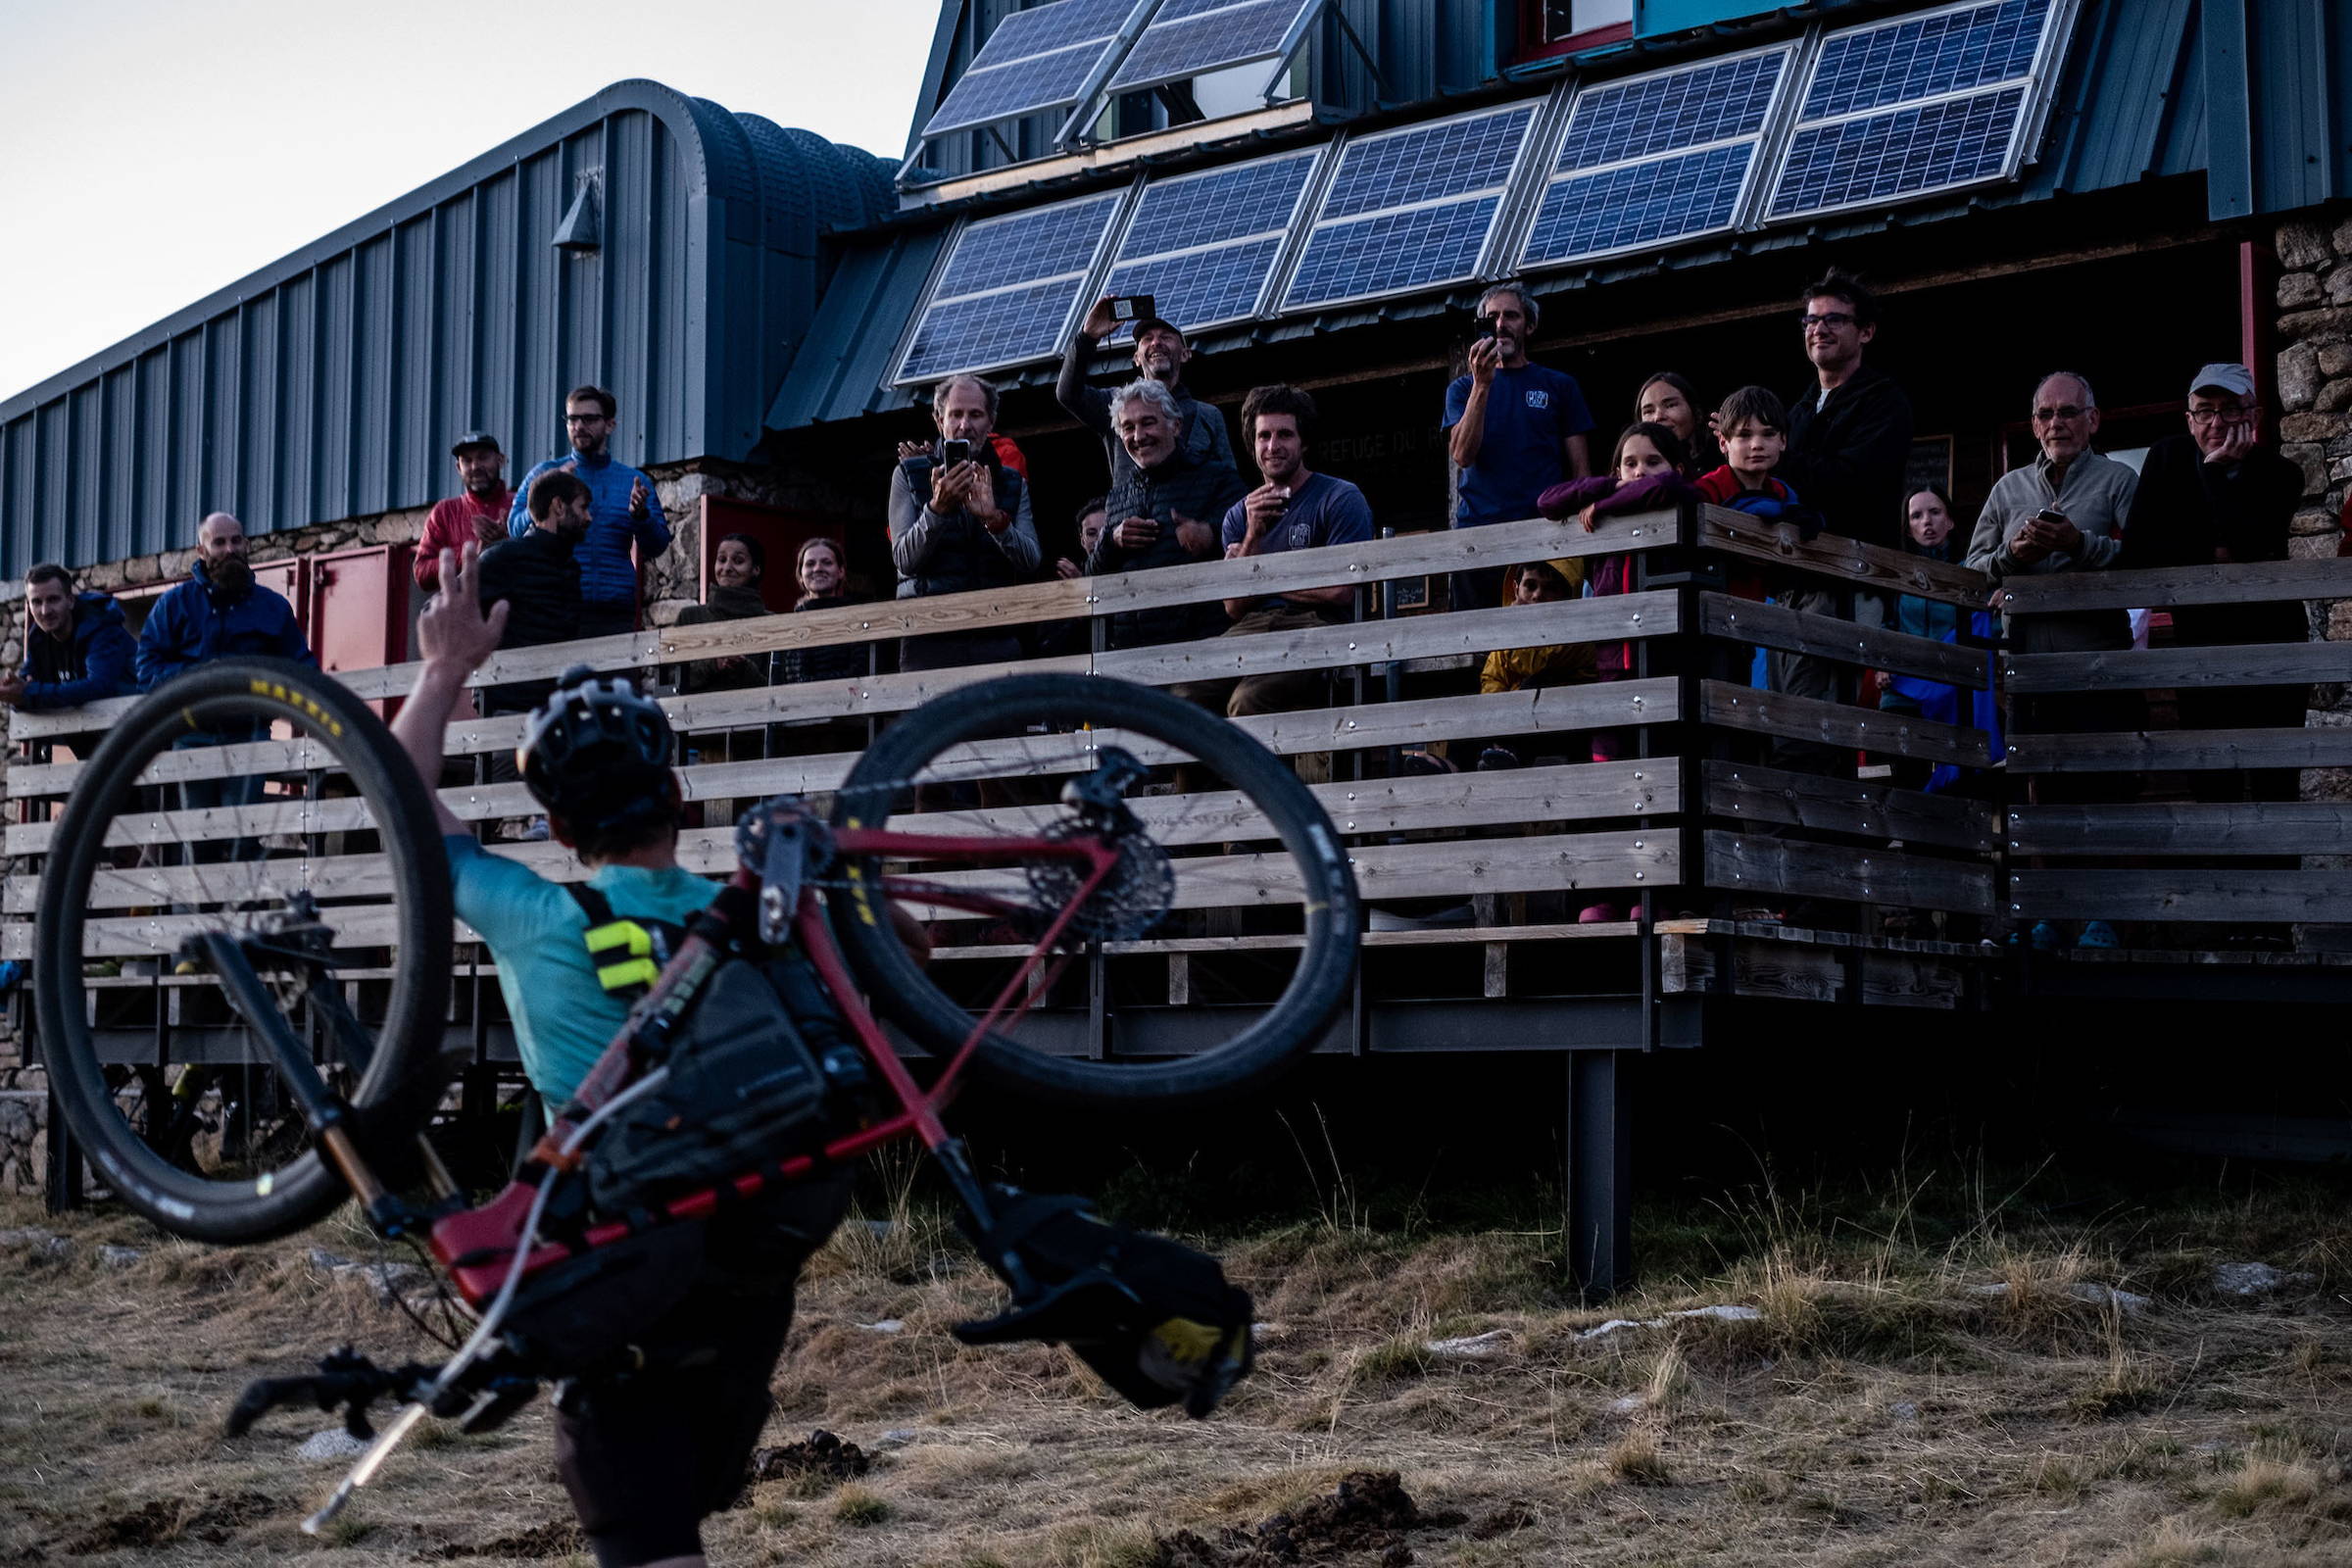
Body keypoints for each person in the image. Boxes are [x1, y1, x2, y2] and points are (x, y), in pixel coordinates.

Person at [388, 541, 860, 1568]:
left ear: (555, 823)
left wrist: (442, 671)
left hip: (627, 1254)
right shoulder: (748, 911)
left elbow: (405, 811)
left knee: (635, 1517)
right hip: (758, 1255)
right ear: (679, 797)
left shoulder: (536, 914)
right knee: (681, 1501)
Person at [1967, 370, 2138, 949]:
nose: (2056, 423)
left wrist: (2078, 546)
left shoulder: (2118, 480)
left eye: (2069, 412)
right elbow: (1968, 571)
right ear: (2034, 423)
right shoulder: (2007, 489)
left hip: (2097, 663)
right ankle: (2046, 917)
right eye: (2045, 414)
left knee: (2102, 792)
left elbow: (2146, 558)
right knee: (2037, 795)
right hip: (2025, 668)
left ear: (2093, 419)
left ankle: (2104, 918)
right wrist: (2013, 556)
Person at [2126, 363, 2309, 804]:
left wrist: (2215, 479)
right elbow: (2139, 551)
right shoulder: (2167, 457)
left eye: (2230, 410)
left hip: (2274, 643)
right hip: (2201, 642)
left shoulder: (2281, 473)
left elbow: (2249, 546)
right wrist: (2213, 541)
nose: (2217, 422)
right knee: (2211, 776)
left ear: (2254, 416)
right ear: (2189, 419)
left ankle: (2280, 874)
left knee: (2276, 779)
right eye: (2204, 411)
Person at [1171, 385, 1373, 722]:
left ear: (1303, 441)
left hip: (1316, 627)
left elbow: (1340, 591)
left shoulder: (1339, 497)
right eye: (1263, 436)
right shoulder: (1240, 515)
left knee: (1246, 701)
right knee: (1183, 697)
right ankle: (1215, 778)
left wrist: (1261, 580)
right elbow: (1234, 607)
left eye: (1284, 435)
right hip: (1250, 627)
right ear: (1252, 445)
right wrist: (1254, 534)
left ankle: (1262, 778)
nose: (1273, 446)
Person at [1442, 280, 1595, 611]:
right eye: (1491, 317)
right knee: (1477, 646)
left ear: (1530, 324)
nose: (1500, 325)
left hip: (1543, 533)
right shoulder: (1462, 389)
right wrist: (1482, 385)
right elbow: (1462, 455)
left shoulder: (1559, 386)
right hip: (1479, 538)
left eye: (1511, 316)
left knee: (1544, 642)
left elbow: (1581, 471)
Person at [888, 373, 1042, 672]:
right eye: (955, 414)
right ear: (938, 420)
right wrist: (937, 509)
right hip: (928, 638)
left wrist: (994, 520)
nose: (964, 425)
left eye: (975, 414)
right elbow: (904, 560)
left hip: (995, 635)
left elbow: (1031, 559)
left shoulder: (1011, 482)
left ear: (991, 422)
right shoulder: (908, 474)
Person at [1086, 379, 1248, 650]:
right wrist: (1111, 542)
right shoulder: (1117, 499)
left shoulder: (1218, 479)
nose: (1138, 436)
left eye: (1148, 422)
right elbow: (1090, 579)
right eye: (1128, 427)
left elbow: (1258, 536)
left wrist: (1211, 535)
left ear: (1176, 426)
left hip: (1202, 650)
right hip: (1132, 654)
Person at [508, 386, 670, 639]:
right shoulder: (545, 474)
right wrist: (547, 495)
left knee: (613, 680)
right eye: (573, 418)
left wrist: (641, 517)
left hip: (613, 613)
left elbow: (658, 545)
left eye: (589, 418)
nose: (579, 425)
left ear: (610, 425)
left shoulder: (634, 481)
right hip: (555, 608)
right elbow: (514, 529)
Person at [1877, 486, 1999, 794]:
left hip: (1954, 692)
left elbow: (1990, 628)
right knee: (1908, 783)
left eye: (1935, 512)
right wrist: (1880, 663)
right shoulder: (1894, 575)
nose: (1926, 522)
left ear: (1951, 521)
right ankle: (1916, 843)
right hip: (1903, 691)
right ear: (1908, 528)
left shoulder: (1972, 576)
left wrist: (1999, 602)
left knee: (1959, 785)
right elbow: (1883, 627)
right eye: (1916, 516)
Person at [475, 469, 593, 786]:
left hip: (557, 713)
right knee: (484, 807)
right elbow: (441, 610)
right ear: (558, 506)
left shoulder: (569, 567)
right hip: (509, 710)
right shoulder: (504, 558)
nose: (589, 517)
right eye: (583, 508)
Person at [1058, 300, 1237, 486]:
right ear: (1136, 358)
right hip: (1130, 513)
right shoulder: (1116, 404)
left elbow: (1229, 481)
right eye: (1147, 339)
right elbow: (1068, 394)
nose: (1156, 343)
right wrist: (1087, 337)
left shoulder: (1208, 415)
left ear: (1185, 354)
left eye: (1166, 337)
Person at [134, 513, 313, 688]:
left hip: (251, 714)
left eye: (236, 541)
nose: (230, 550)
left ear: (246, 545)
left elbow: (303, 671)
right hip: (189, 715)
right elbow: (147, 671)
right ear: (201, 552)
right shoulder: (174, 604)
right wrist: (201, 675)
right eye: (219, 543)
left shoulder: (274, 607)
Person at [0, 563, 138, 716]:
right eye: (37, 602)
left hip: (138, 729)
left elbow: (98, 686)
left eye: (53, 600)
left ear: (70, 601)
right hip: (93, 732)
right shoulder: (39, 639)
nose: (45, 611)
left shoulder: (102, 628)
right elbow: (26, 690)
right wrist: (14, 694)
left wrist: (29, 694)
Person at [669, 533, 773, 696]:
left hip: (754, 717)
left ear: (756, 569)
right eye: (722, 559)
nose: (727, 568)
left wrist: (744, 669)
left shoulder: (772, 623)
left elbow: (777, 689)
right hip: (696, 718)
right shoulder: (690, 617)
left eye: (738, 561)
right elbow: (670, 679)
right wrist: (714, 664)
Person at [416, 431, 514, 595]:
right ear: (458, 468)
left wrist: (507, 544)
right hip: (464, 616)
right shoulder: (444, 512)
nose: (475, 467)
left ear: (500, 460)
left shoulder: (521, 505)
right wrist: (470, 554)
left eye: (483, 457)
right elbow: (421, 572)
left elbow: (544, 561)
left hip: (516, 614)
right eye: (467, 461)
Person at [1635, 372, 1714, 476]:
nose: (1658, 417)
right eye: (1649, 411)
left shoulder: (1725, 464)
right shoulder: (1635, 474)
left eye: (1670, 405)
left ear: (1697, 413)